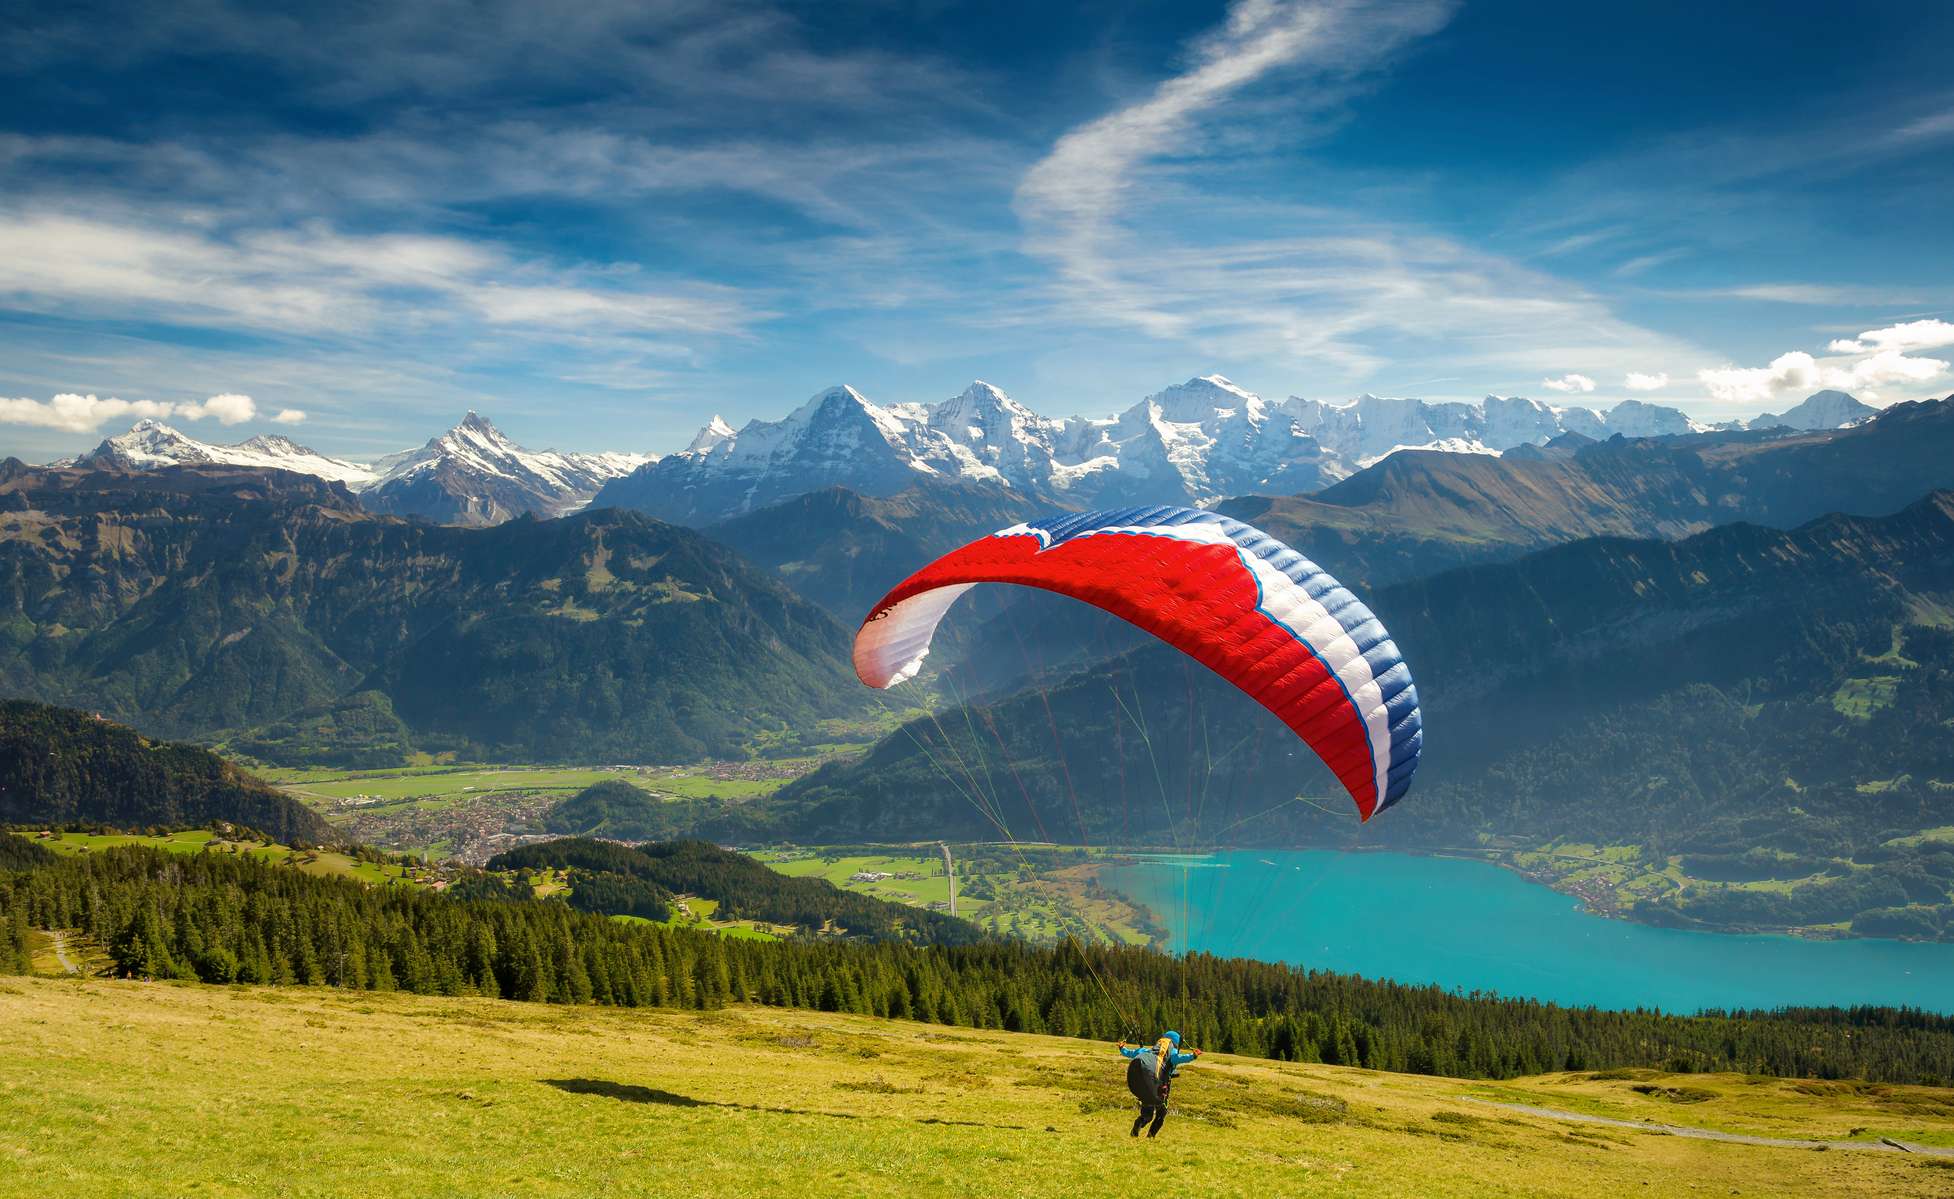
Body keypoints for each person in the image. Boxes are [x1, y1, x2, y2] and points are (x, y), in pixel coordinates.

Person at [1116, 1030, 1200, 1137]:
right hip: (1158, 1087)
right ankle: (1151, 1136)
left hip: (1144, 1083)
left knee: (1147, 1114)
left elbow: (1130, 1053)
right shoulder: (1172, 1053)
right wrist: (1193, 1056)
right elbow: (1178, 1058)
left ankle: (1139, 1123)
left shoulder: (1147, 1051)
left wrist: (1122, 1048)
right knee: (1162, 1112)